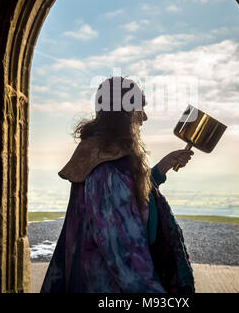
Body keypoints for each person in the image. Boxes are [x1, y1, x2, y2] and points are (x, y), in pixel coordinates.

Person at [40, 76, 195, 293]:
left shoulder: (102, 154)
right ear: (124, 113)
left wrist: (161, 169)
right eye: (140, 108)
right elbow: (126, 260)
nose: (145, 117)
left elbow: (128, 192)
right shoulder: (107, 169)